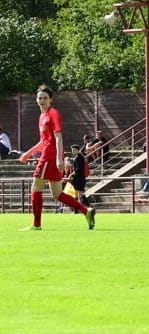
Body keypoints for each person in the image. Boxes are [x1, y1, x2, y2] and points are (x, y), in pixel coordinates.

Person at [18, 85, 95, 231]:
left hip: (49, 157)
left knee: (36, 187)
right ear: (36, 99)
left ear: (51, 99)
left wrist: (59, 159)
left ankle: (36, 224)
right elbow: (43, 141)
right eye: (40, 98)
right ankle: (87, 211)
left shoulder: (53, 114)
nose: (42, 101)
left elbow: (58, 137)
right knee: (57, 194)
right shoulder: (42, 116)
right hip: (50, 155)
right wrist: (28, 154)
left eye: (45, 98)